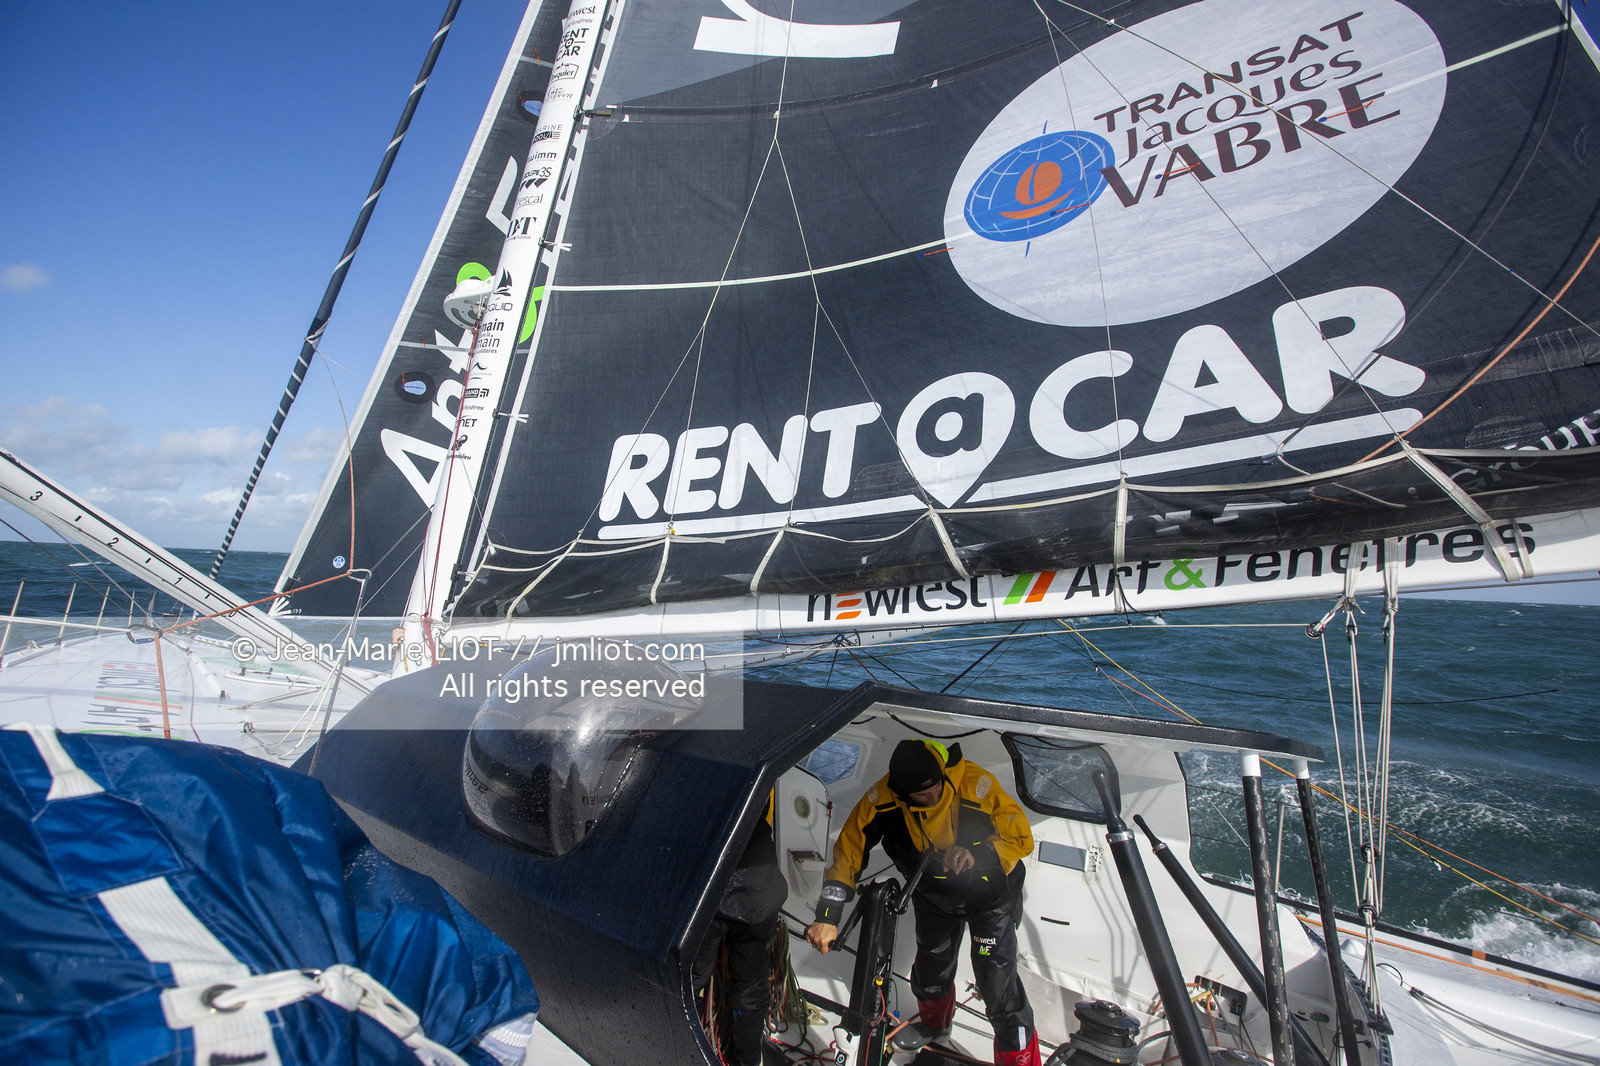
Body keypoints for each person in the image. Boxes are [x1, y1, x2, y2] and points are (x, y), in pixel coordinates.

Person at [804, 739, 1040, 1066]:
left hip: (991, 898)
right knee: (929, 973)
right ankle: (934, 1027)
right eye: (922, 796)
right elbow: (848, 852)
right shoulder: (881, 799)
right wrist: (828, 915)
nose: (933, 798)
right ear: (901, 793)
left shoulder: (978, 785)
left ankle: (1019, 1061)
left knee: (998, 986)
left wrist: (979, 852)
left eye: (937, 790)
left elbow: (1021, 837)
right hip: (935, 896)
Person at [694, 796, 788, 1066]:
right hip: (762, 888)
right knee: (750, 986)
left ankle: (688, 1047)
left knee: (689, 977)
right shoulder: (760, 770)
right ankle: (747, 1062)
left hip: (715, 889)